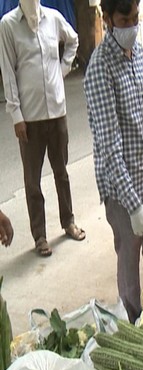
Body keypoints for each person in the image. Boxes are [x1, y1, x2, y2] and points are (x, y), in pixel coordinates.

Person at [83, 0, 143, 322]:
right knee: (129, 258)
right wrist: (134, 206)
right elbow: (109, 147)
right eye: (125, 20)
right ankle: (136, 321)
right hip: (122, 189)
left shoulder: (140, 56)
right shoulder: (99, 68)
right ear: (107, 18)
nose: (132, 26)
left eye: (136, 18)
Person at [0, 0, 85, 257]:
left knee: (62, 171)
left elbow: (73, 40)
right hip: (30, 117)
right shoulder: (8, 26)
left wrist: (64, 68)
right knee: (32, 180)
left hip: (57, 111)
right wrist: (16, 114)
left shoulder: (54, 18)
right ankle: (40, 236)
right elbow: (8, 71)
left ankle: (68, 221)